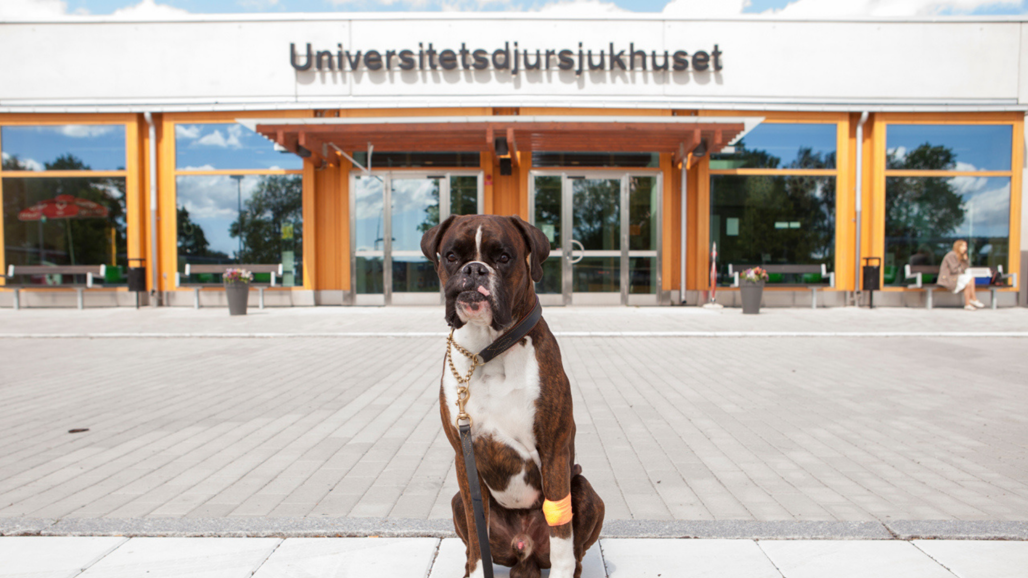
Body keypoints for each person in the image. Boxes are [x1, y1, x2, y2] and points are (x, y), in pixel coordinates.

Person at [938, 240, 984, 310]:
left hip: (956, 277)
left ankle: (967, 304)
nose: (965, 248)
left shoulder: (960, 256)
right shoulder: (952, 255)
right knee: (971, 278)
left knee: (968, 284)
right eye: (963, 246)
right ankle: (973, 299)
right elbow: (954, 270)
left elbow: (964, 269)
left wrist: (965, 260)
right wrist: (962, 265)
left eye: (966, 246)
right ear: (958, 246)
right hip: (948, 279)